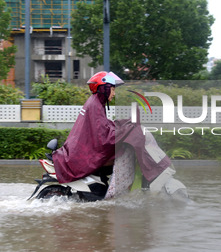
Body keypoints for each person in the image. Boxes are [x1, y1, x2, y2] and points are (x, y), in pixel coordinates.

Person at [52, 70, 187, 199]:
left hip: (79, 152)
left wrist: (126, 124)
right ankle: (114, 195)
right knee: (123, 151)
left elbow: (104, 127)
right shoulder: (95, 105)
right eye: (113, 89)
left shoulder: (96, 103)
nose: (114, 93)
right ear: (104, 88)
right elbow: (105, 137)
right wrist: (128, 129)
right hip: (82, 156)